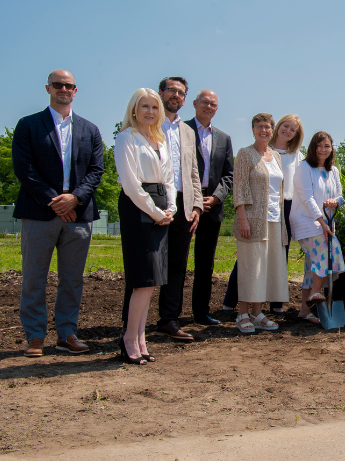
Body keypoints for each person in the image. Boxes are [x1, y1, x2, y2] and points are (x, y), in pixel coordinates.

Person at [12, 69, 104, 358]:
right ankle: (35, 337)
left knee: (72, 278)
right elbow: (24, 168)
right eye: (58, 85)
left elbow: (96, 170)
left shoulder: (90, 130)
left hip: (78, 216)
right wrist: (55, 201)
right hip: (40, 213)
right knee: (34, 277)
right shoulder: (28, 125)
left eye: (69, 85)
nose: (63, 89)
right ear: (48, 88)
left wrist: (75, 198)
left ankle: (66, 333)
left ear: (75, 91)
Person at [121, 77, 202, 342]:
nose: (175, 95)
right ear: (160, 93)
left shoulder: (188, 131)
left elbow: (192, 173)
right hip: (146, 203)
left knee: (176, 265)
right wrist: (158, 209)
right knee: (143, 266)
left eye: (181, 92)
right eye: (171, 90)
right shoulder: (137, 133)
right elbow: (132, 181)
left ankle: (168, 319)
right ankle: (130, 325)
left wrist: (196, 206)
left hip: (179, 204)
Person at [115, 88, 176, 364]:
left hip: (161, 209)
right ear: (134, 110)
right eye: (145, 106)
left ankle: (141, 338)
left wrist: (171, 208)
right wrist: (154, 212)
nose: (150, 111)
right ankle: (129, 338)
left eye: (154, 107)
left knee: (152, 282)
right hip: (138, 208)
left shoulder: (161, 141)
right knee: (142, 280)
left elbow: (169, 180)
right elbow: (130, 184)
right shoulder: (126, 138)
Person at [221, 114, 304, 316]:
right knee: (250, 261)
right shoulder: (252, 152)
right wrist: (243, 218)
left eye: (293, 130)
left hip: (282, 211)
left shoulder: (288, 156)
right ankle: (237, 308)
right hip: (256, 211)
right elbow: (241, 187)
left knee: (275, 260)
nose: (288, 131)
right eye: (285, 126)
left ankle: (268, 308)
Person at [231, 113, 287, 333]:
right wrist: (242, 218)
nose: (264, 130)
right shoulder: (245, 154)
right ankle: (242, 314)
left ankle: (257, 313)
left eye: (267, 127)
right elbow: (240, 188)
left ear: (272, 131)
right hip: (253, 220)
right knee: (250, 267)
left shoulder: (276, 156)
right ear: (253, 129)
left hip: (275, 220)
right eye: (259, 126)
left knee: (266, 268)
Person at [185, 90, 233, 326]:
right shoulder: (181, 131)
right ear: (194, 104)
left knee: (205, 263)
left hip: (211, 206)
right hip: (184, 203)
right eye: (204, 102)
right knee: (176, 260)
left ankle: (201, 312)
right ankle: (169, 314)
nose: (208, 106)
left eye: (213, 104)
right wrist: (194, 197)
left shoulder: (223, 138)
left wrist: (215, 198)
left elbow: (229, 175)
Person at [290, 131, 345, 322]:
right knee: (329, 251)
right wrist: (321, 221)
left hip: (326, 223)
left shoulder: (333, 171)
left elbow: (340, 197)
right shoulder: (304, 167)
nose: (323, 149)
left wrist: (335, 202)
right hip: (306, 221)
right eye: (319, 145)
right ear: (313, 148)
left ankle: (305, 311)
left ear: (332, 149)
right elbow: (307, 198)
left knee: (312, 267)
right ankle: (315, 291)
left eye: (327, 146)